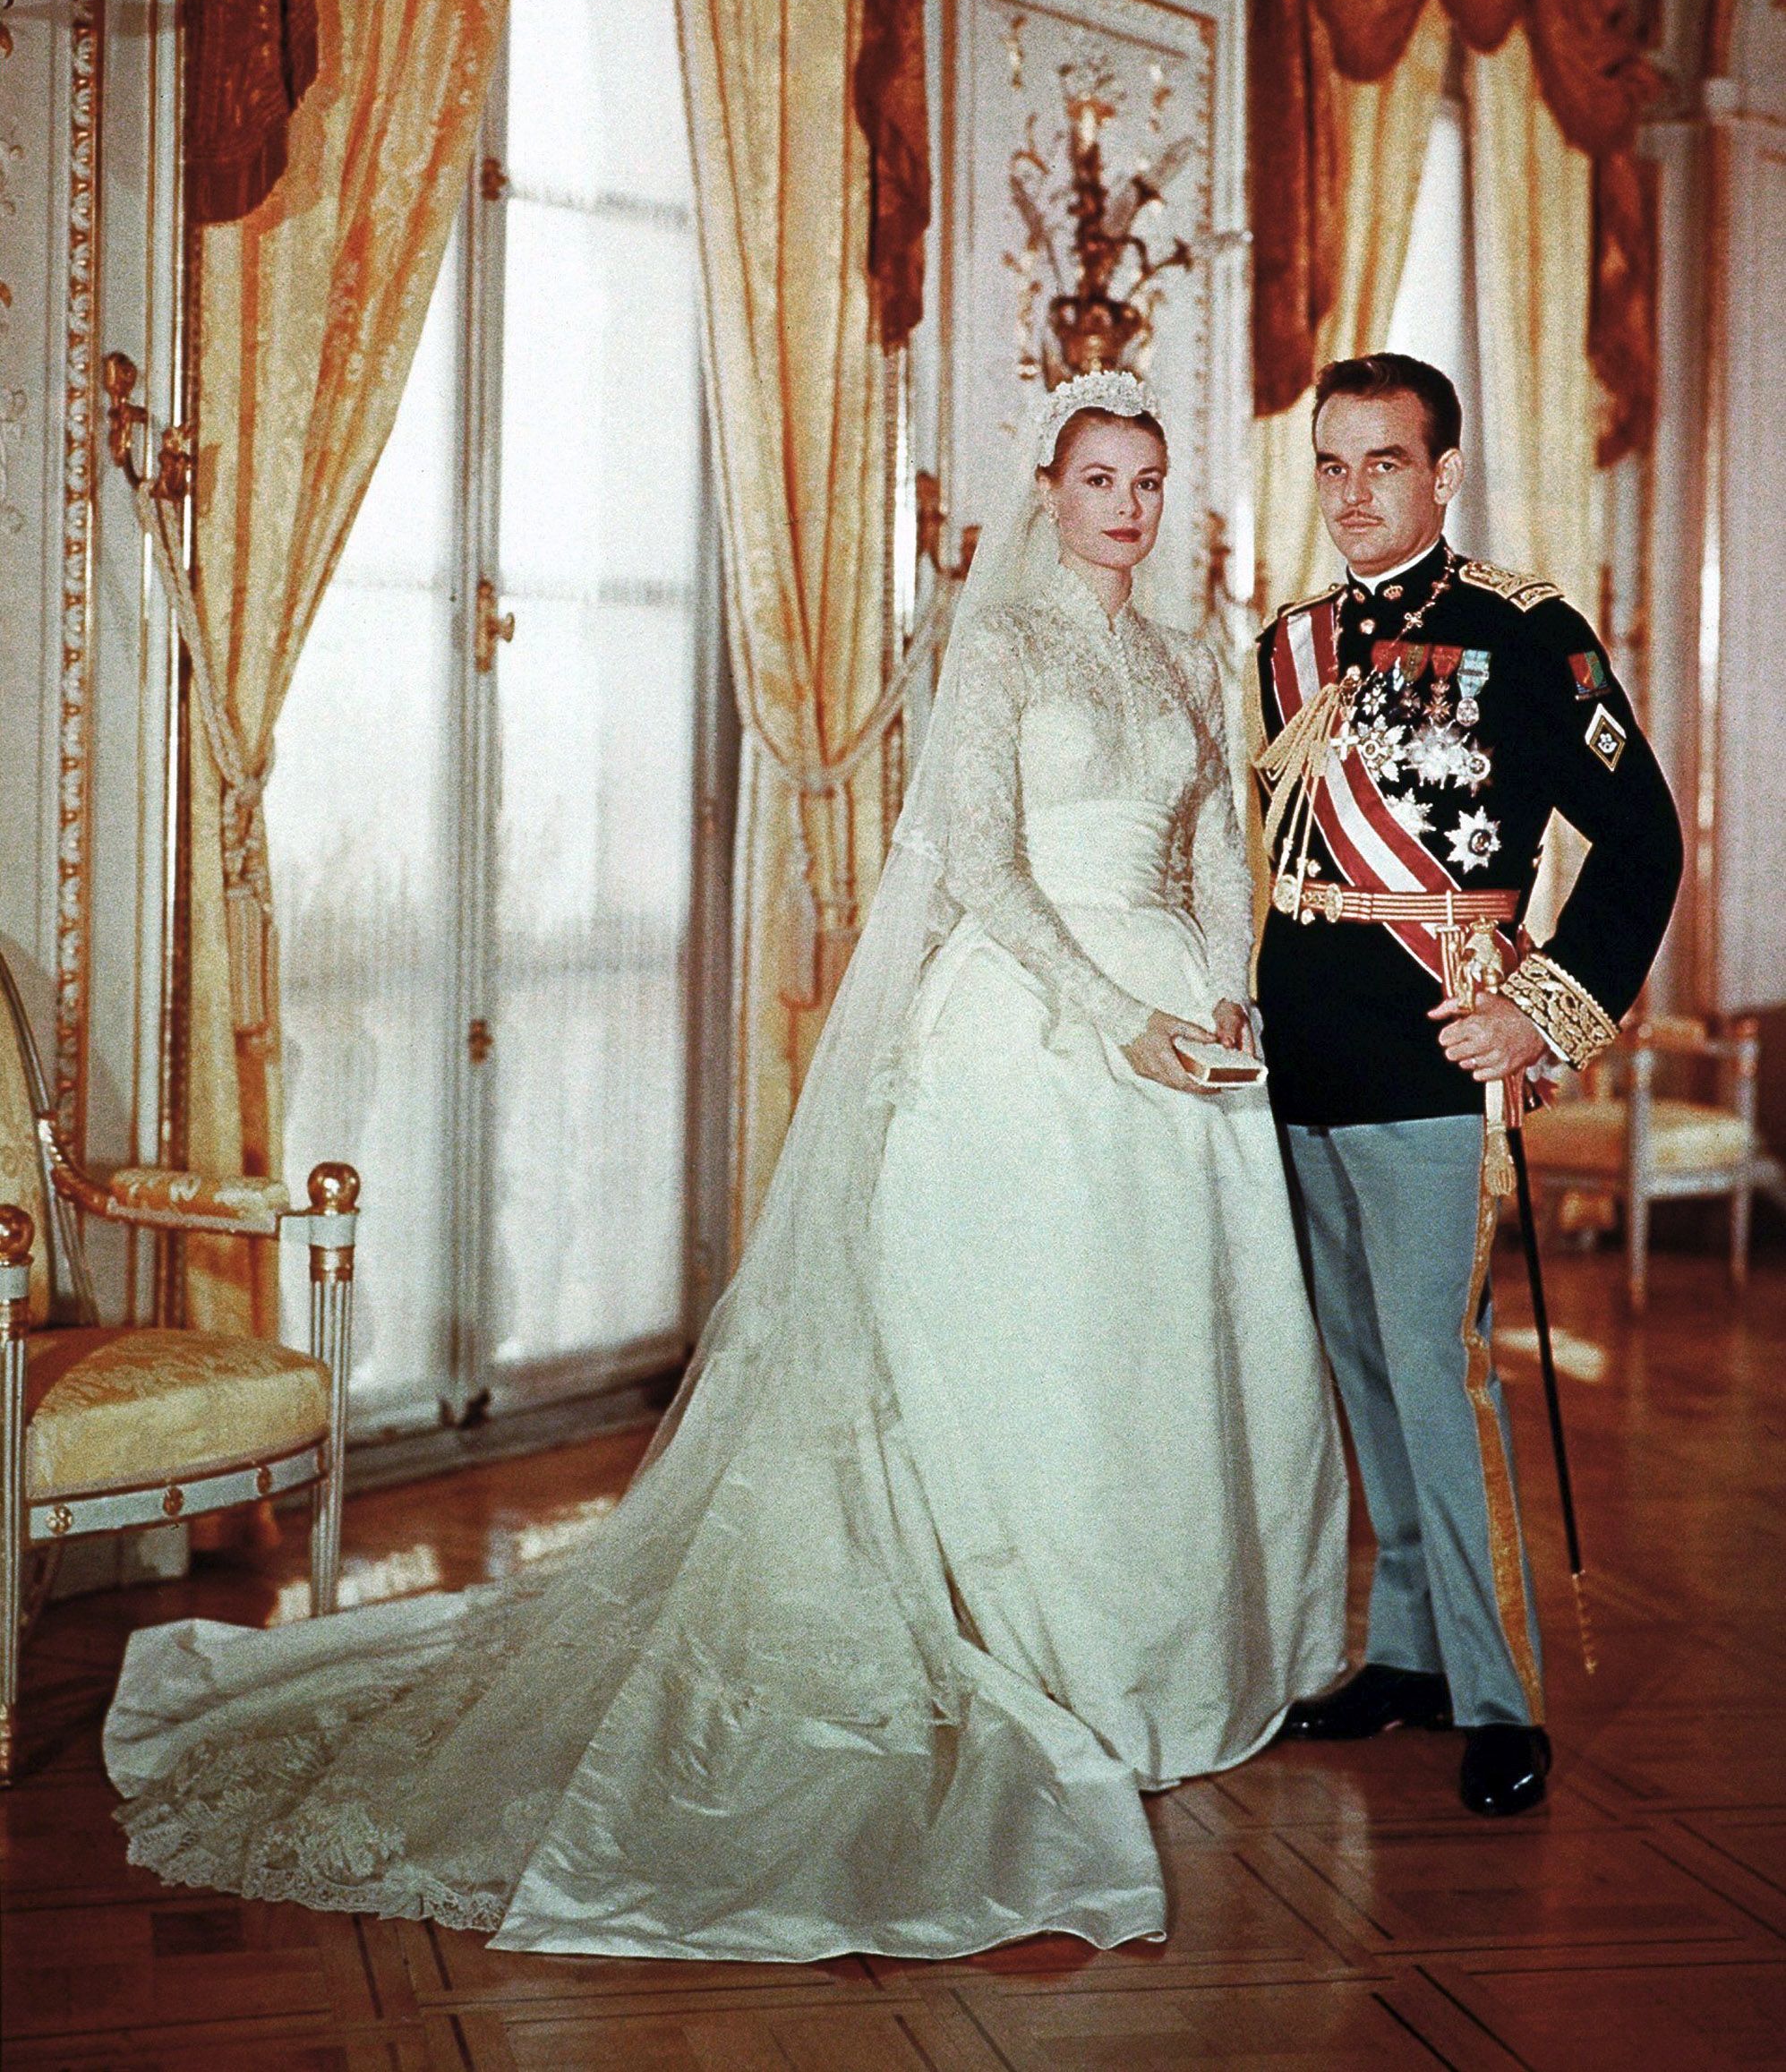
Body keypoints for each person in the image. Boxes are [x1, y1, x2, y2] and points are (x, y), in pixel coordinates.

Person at [105, 369, 1348, 1962]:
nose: (1126, 508)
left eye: (1148, 483)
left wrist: (1222, 982)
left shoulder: (1186, 658)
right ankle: (1044, 1661)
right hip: (1038, 1029)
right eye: (1099, 479)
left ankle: (1181, 1661)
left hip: (1188, 1031)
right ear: (1048, 491)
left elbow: (1215, 853)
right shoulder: (1007, 648)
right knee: (1044, 1348)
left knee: (1173, 1350)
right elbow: (983, 862)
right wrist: (1117, 1016)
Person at [1252, 351, 1682, 1818]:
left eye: (1384, 463)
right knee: (1366, 1368)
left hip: (1436, 1051)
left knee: (1440, 1373)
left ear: (1443, 473)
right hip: (1302, 1044)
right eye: (1331, 464)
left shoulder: (1525, 632)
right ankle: (1412, 1654)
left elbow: (1643, 847)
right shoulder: (1289, 645)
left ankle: (1500, 1696)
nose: (1354, 493)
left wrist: (1544, 1016)